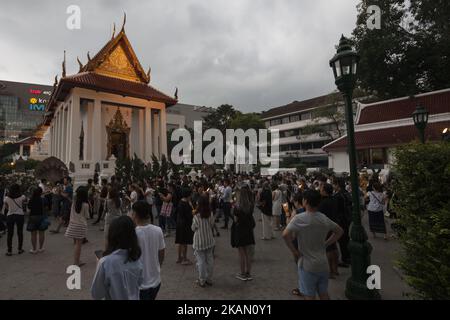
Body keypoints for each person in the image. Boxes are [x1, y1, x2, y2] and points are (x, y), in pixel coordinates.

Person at [282, 190, 344, 300]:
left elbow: (285, 235)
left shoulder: (299, 218)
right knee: (324, 293)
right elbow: (339, 231)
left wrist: (295, 251)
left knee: (309, 295)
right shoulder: (323, 218)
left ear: (305, 201)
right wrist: (326, 243)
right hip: (323, 264)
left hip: (307, 264)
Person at [91, 216, 143, 300]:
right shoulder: (136, 258)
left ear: (111, 236)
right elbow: (140, 282)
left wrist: (99, 264)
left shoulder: (105, 262)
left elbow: (96, 294)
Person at [131, 201, 165, 300]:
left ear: (135, 214)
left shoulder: (133, 233)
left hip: (139, 284)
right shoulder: (158, 230)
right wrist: (158, 267)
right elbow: (161, 253)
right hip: (156, 280)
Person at [232, 185, 256, 281]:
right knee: (248, 254)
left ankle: (242, 273)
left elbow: (235, 220)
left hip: (240, 230)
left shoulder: (237, 208)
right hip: (248, 230)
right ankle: (248, 273)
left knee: (241, 253)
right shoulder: (250, 206)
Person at [192, 194, 215, 287]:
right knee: (210, 259)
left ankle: (202, 279)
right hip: (209, 240)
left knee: (200, 261)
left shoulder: (196, 216)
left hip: (199, 241)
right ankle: (209, 279)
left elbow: (193, 228)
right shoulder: (210, 214)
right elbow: (212, 225)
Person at [319, 183, 340, 278]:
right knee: (334, 247)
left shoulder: (324, 202)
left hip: (326, 227)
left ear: (324, 191)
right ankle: (335, 269)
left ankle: (331, 271)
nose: (320, 190)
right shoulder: (334, 199)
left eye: (321, 189)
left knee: (328, 249)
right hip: (334, 224)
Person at [65, 187, 89, 267]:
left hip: (72, 225)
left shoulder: (74, 203)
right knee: (79, 245)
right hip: (81, 226)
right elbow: (87, 216)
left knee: (76, 244)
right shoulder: (85, 205)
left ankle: (77, 260)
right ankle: (76, 261)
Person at [332, 178, 352, 267]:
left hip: (341, 220)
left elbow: (336, 210)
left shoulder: (338, 196)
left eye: (334, 184)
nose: (333, 186)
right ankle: (347, 256)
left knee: (342, 240)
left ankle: (345, 258)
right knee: (346, 238)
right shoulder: (347, 193)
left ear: (337, 185)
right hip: (347, 218)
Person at [3, 184, 27, 256]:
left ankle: (9, 251)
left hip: (10, 215)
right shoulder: (22, 196)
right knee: (20, 233)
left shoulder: (6, 198)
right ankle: (20, 249)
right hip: (20, 215)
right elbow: (23, 204)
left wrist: (11, 209)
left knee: (10, 234)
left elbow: (6, 207)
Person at [27, 187, 49, 254]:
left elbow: (29, 208)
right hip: (41, 217)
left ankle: (34, 249)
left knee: (33, 234)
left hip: (33, 217)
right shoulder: (43, 199)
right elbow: (47, 208)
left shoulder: (31, 199)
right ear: (41, 192)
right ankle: (41, 248)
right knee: (41, 233)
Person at [175, 187, 194, 265]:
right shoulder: (186, 203)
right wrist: (192, 207)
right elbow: (189, 215)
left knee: (180, 241)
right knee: (184, 242)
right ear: (188, 195)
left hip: (179, 223)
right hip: (185, 224)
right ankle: (184, 258)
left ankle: (179, 257)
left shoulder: (180, 202)